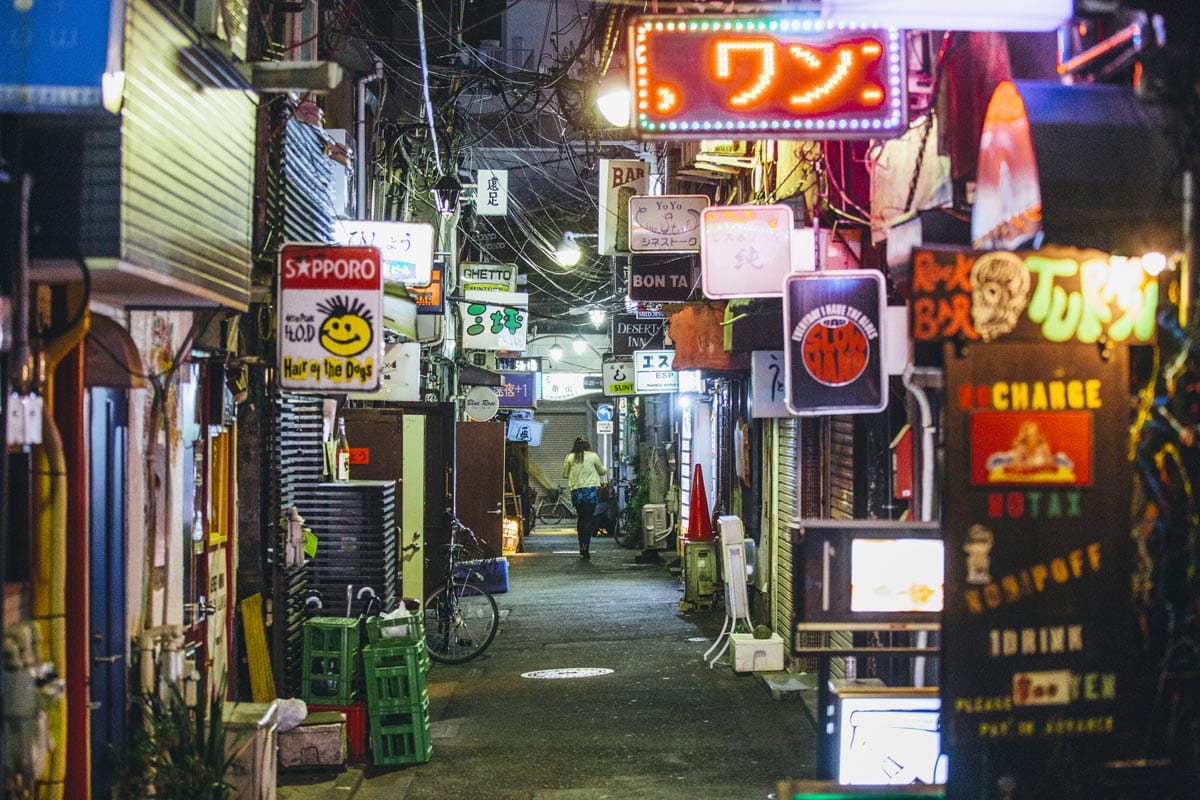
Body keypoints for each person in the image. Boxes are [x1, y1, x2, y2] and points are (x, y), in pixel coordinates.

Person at [562, 436, 606, 559]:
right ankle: (586, 546)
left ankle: (581, 545)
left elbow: (565, 474)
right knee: (588, 519)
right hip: (591, 490)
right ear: (587, 445)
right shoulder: (593, 456)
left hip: (576, 491)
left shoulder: (570, 457)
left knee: (581, 519)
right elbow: (602, 471)